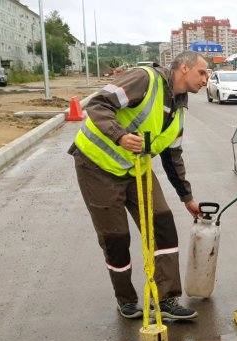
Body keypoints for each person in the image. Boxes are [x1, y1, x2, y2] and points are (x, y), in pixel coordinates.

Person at [68, 51, 209, 320]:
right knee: (116, 236)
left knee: (163, 221)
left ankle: (166, 299)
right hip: (96, 165)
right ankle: (126, 300)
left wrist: (187, 197)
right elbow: (98, 104)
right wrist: (119, 136)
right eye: (201, 72)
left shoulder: (178, 109)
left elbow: (172, 156)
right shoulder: (144, 80)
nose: (206, 79)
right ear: (182, 68)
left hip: (136, 169)